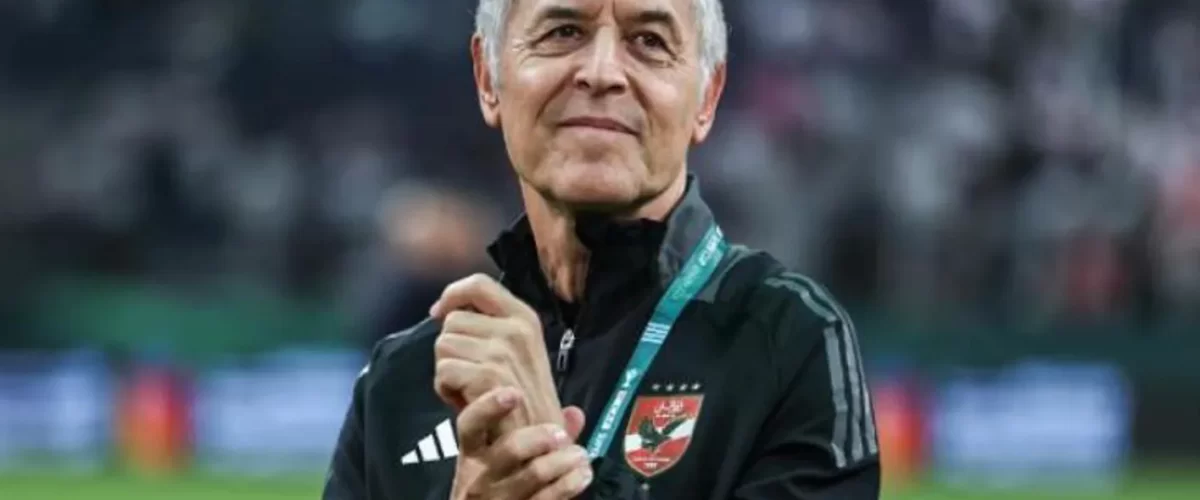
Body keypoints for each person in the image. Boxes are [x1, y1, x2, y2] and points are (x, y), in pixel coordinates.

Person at [323, 0, 880, 498]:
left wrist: (550, 480)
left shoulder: (790, 341)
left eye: (649, 40)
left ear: (706, 98)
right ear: (488, 78)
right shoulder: (402, 382)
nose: (602, 72)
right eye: (563, 31)